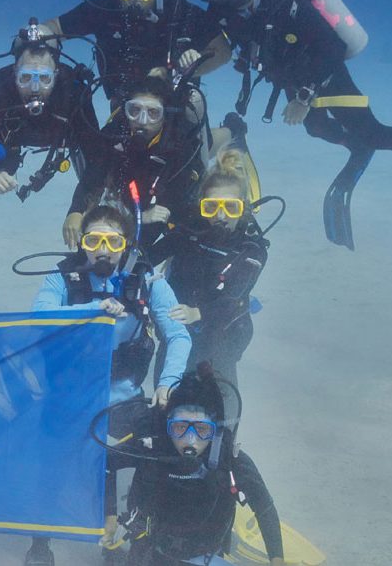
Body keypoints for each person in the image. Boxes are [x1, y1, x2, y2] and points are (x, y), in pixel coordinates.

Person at [26, 203, 191, 566]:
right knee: (50, 465)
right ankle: (41, 541)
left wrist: (168, 382)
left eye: (113, 242)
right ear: (81, 243)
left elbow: (178, 335)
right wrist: (91, 310)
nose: (102, 249)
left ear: (126, 246)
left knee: (157, 454)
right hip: (68, 396)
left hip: (125, 398)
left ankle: (130, 533)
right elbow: (39, 318)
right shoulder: (61, 279)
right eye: (93, 240)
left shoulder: (150, 282)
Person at [208, 0, 391, 249]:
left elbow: (333, 48)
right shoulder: (221, 8)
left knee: (374, 134)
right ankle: (356, 146)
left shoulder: (283, 1)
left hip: (325, 74)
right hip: (290, 78)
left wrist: (304, 98)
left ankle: (363, 143)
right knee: (316, 128)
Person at [116, 365, 285, 565]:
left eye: (202, 430)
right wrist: (109, 515)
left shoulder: (230, 460)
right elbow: (106, 463)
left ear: (216, 432)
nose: (190, 440)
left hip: (206, 555)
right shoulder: (154, 447)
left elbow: (264, 506)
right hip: (150, 548)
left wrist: (277, 559)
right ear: (167, 427)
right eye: (180, 427)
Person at [149, 150, 269, 389]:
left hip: (223, 332)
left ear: (243, 208)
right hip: (177, 329)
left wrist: (197, 313)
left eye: (231, 208)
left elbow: (233, 296)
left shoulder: (252, 249)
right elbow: (146, 258)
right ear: (200, 206)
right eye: (211, 207)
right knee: (164, 400)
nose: (221, 216)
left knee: (219, 399)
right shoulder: (187, 233)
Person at [45, 0, 230, 103]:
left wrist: (184, 71)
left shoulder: (180, 13)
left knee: (192, 123)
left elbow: (223, 51)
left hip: (174, 97)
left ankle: (231, 131)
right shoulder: (103, 11)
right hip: (123, 99)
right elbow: (53, 27)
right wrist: (37, 52)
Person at [62, 76, 206, 251]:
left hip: (165, 189)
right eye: (135, 110)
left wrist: (140, 219)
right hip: (133, 188)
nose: (142, 120)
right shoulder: (113, 134)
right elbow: (93, 173)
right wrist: (75, 211)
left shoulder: (180, 146)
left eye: (153, 112)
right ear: (125, 110)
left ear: (165, 115)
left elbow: (172, 201)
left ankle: (231, 130)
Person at [0, 23, 99, 201]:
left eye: (45, 78)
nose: (35, 88)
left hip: (65, 140)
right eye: (25, 77)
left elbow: (95, 151)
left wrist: (78, 208)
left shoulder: (73, 93)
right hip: (11, 146)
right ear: (14, 72)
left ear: (56, 73)